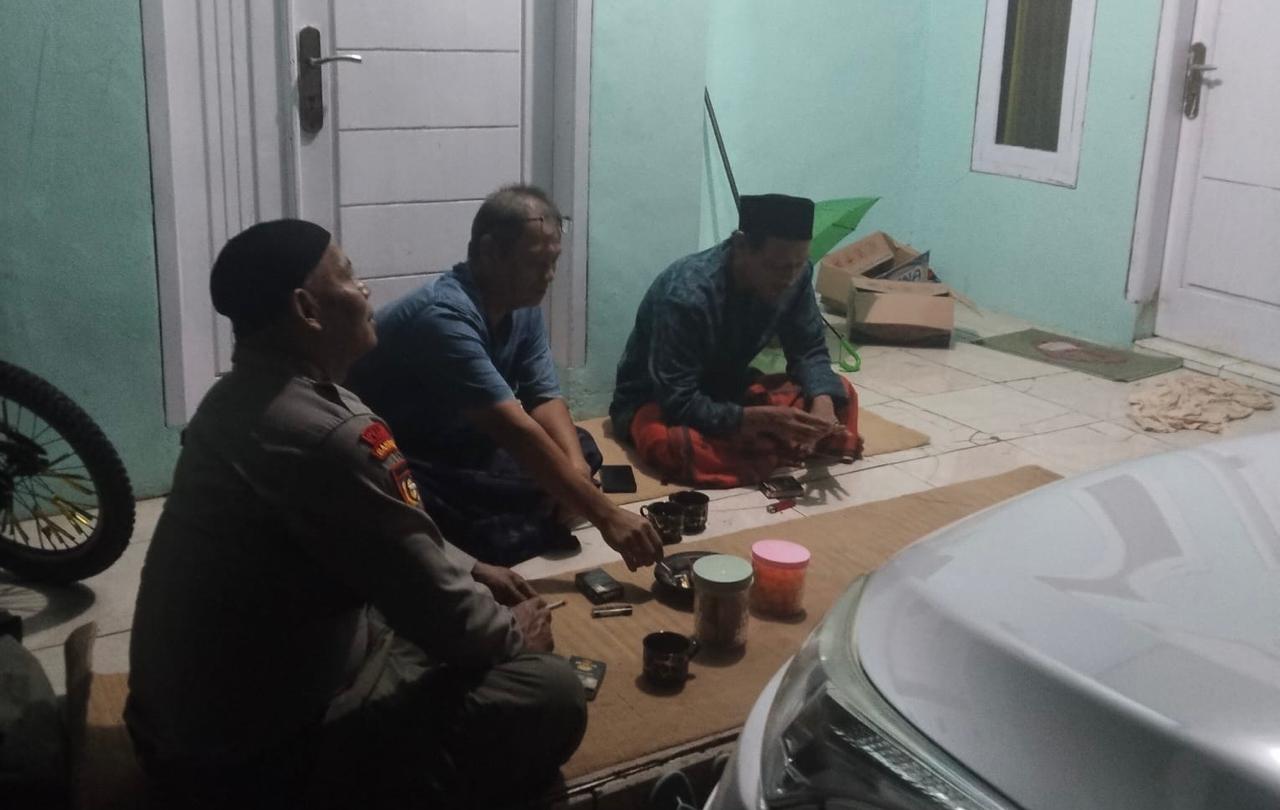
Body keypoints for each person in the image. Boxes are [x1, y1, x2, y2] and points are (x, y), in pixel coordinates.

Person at [126, 219, 586, 810]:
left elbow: (371, 525)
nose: (366, 290)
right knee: (551, 691)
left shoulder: (232, 399)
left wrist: (473, 566)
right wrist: (516, 634)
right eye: (348, 276)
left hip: (177, 729)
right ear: (307, 309)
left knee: (437, 600)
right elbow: (450, 620)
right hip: (247, 766)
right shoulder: (333, 433)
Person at [348, 185, 663, 569]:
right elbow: (512, 428)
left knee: (580, 448)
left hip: (469, 441)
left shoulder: (521, 304)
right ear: (490, 252)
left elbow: (543, 397)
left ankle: (539, 510)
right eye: (536, 263)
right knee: (441, 501)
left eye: (554, 261)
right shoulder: (442, 316)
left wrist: (577, 472)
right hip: (410, 454)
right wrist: (605, 515)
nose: (549, 276)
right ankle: (524, 521)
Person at [609, 193, 862, 488]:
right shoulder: (687, 294)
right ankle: (778, 444)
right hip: (659, 400)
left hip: (731, 390)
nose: (789, 278)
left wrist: (823, 405)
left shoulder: (796, 275)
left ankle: (774, 444)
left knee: (838, 391)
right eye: (778, 267)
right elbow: (677, 400)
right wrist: (752, 420)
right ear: (741, 246)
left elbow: (809, 349)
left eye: (799, 264)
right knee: (673, 444)